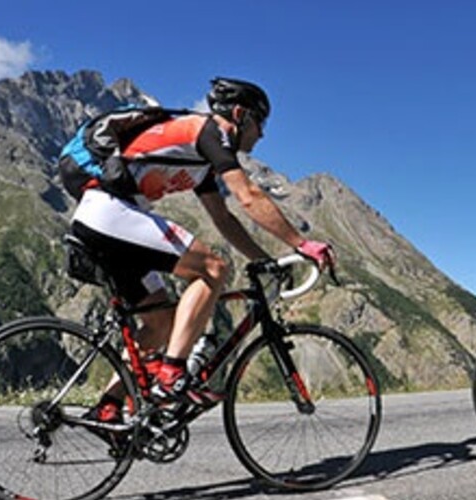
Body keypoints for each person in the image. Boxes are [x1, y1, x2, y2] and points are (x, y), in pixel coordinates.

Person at [71, 77, 336, 426]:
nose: (262, 134)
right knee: (213, 268)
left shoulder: (201, 163)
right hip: (110, 214)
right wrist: (302, 245)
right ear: (240, 114)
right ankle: (172, 374)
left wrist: (263, 260)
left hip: (106, 223)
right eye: (260, 122)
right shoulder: (209, 133)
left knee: (160, 322)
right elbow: (248, 197)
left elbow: (223, 218)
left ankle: (108, 407)